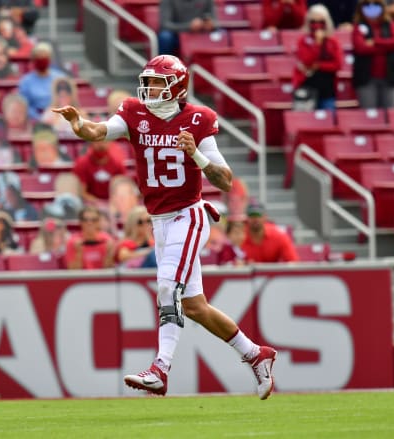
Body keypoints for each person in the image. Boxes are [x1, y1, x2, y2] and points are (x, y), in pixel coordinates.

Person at [53, 54, 277, 399]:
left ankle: (160, 369)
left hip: (188, 215)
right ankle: (255, 354)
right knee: (194, 307)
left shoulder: (198, 120)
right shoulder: (134, 112)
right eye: (149, 81)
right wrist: (78, 123)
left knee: (166, 287)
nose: (151, 87)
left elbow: (226, 181)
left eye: (158, 81)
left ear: (177, 86)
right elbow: (98, 132)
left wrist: (197, 156)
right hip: (159, 221)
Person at [351, 0, 394, 109]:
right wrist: (386, 47)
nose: (371, 7)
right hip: (366, 78)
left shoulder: (389, 25)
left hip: (389, 76)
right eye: (367, 4)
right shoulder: (358, 26)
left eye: (376, 4)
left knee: (390, 113)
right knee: (369, 114)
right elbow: (361, 48)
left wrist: (375, 42)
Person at [292, 4, 344, 111]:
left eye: (321, 21)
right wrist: (317, 44)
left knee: (327, 121)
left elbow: (338, 64)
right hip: (307, 87)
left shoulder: (333, 42)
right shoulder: (303, 41)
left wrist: (319, 65)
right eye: (313, 21)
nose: (317, 25)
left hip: (327, 88)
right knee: (306, 122)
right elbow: (306, 61)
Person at [18, 42, 67, 122]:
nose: (41, 59)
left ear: (50, 58)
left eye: (44, 56)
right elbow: (24, 105)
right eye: (38, 57)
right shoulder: (26, 81)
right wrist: (40, 118)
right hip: (35, 121)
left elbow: (66, 99)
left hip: (59, 118)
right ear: (33, 59)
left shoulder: (60, 78)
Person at [74, 139, 126, 205]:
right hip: (90, 205)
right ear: (91, 142)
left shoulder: (117, 163)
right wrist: (99, 203)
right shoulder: (82, 163)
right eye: (98, 141)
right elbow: (82, 192)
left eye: (104, 141)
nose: (101, 144)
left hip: (112, 204)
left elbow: (121, 190)